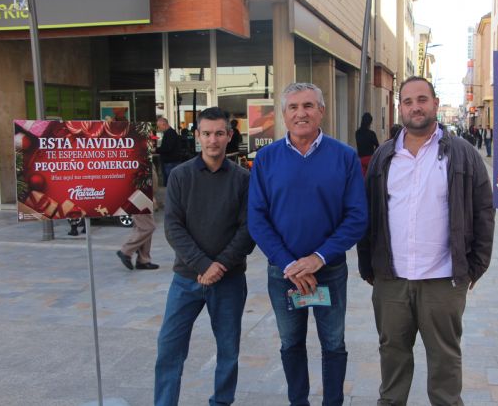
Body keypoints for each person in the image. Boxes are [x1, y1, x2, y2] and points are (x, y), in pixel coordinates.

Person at [357, 76, 495, 406]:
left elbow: (484, 211)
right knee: (392, 358)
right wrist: (368, 267)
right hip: (392, 281)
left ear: (435, 103)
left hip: (443, 281)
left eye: (422, 99)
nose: (415, 107)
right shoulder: (384, 156)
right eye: (408, 101)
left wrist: (475, 267)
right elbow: (368, 213)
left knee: (445, 363)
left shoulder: (462, 154)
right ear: (400, 108)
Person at [248, 82, 368, 406]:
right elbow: (256, 218)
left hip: (328, 271)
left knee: (334, 344)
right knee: (290, 343)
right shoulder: (266, 158)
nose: (301, 113)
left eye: (308, 106)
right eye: (293, 107)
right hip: (284, 274)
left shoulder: (344, 157)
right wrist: (289, 263)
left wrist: (319, 257)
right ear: (283, 114)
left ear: (321, 111)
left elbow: (357, 217)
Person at [154, 107, 255, 406]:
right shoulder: (180, 176)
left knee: (228, 351)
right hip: (186, 279)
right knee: (169, 349)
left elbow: (249, 229)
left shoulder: (243, 179)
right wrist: (203, 265)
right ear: (197, 135)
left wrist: (220, 265)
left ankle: (221, 402)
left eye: (219, 133)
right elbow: (173, 227)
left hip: (228, 280)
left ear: (229, 135)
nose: (213, 140)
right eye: (207, 133)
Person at [116, 169, 160, 271]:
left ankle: (143, 260)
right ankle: (126, 251)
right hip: (139, 195)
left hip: (143, 194)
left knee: (143, 227)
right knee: (148, 227)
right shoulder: (137, 161)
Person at [156, 117, 183, 186]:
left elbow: (167, 148)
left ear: (164, 124)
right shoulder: (169, 133)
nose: (159, 129)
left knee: (170, 183)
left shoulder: (170, 133)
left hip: (171, 162)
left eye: (159, 127)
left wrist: (156, 150)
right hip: (171, 162)